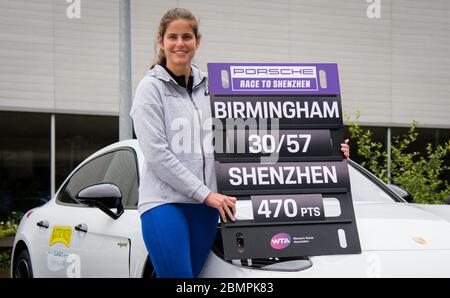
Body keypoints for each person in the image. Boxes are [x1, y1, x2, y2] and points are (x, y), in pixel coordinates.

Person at [130, 8, 350, 278]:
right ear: (161, 40)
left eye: (187, 37)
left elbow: (250, 141)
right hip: (165, 205)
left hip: (206, 210)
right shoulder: (149, 89)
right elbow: (157, 154)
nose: (180, 44)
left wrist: (326, 150)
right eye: (172, 36)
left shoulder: (212, 89)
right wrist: (206, 194)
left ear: (197, 41)